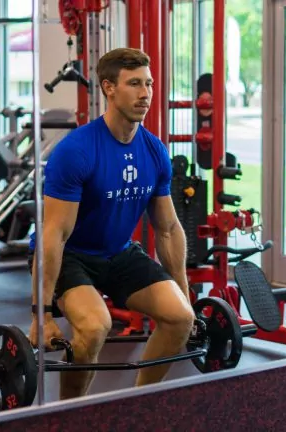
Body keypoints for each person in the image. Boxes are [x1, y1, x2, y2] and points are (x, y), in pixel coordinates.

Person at [28, 47, 195, 401]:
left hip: (118, 254)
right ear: (108, 88)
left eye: (148, 84)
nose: (145, 93)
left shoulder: (154, 151)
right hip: (72, 255)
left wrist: (184, 292)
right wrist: (41, 315)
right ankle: (69, 414)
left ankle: (139, 404)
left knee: (180, 318)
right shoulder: (76, 151)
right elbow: (54, 235)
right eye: (134, 84)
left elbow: (167, 229)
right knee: (94, 327)